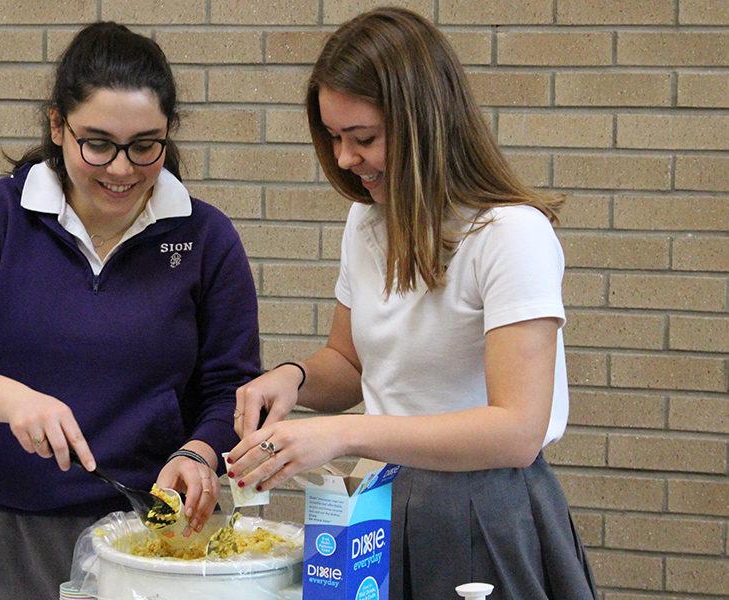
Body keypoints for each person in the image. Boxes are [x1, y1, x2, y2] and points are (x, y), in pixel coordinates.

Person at [0, 22, 259, 599]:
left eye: (145, 145)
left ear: (168, 133)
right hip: (7, 539)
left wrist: (199, 451)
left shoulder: (206, 237)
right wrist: (11, 400)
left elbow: (232, 387)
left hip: (152, 540)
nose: (121, 169)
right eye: (96, 143)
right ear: (58, 125)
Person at [228, 8, 597, 599]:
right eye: (334, 138)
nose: (346, 158)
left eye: (364, 138)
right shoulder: (368, 222)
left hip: (482, 509)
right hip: (381, 504)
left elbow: (515, 431)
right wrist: (292, 380)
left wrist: (344, 437)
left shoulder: (510, 234)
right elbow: (349, 365)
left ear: (425, 121)